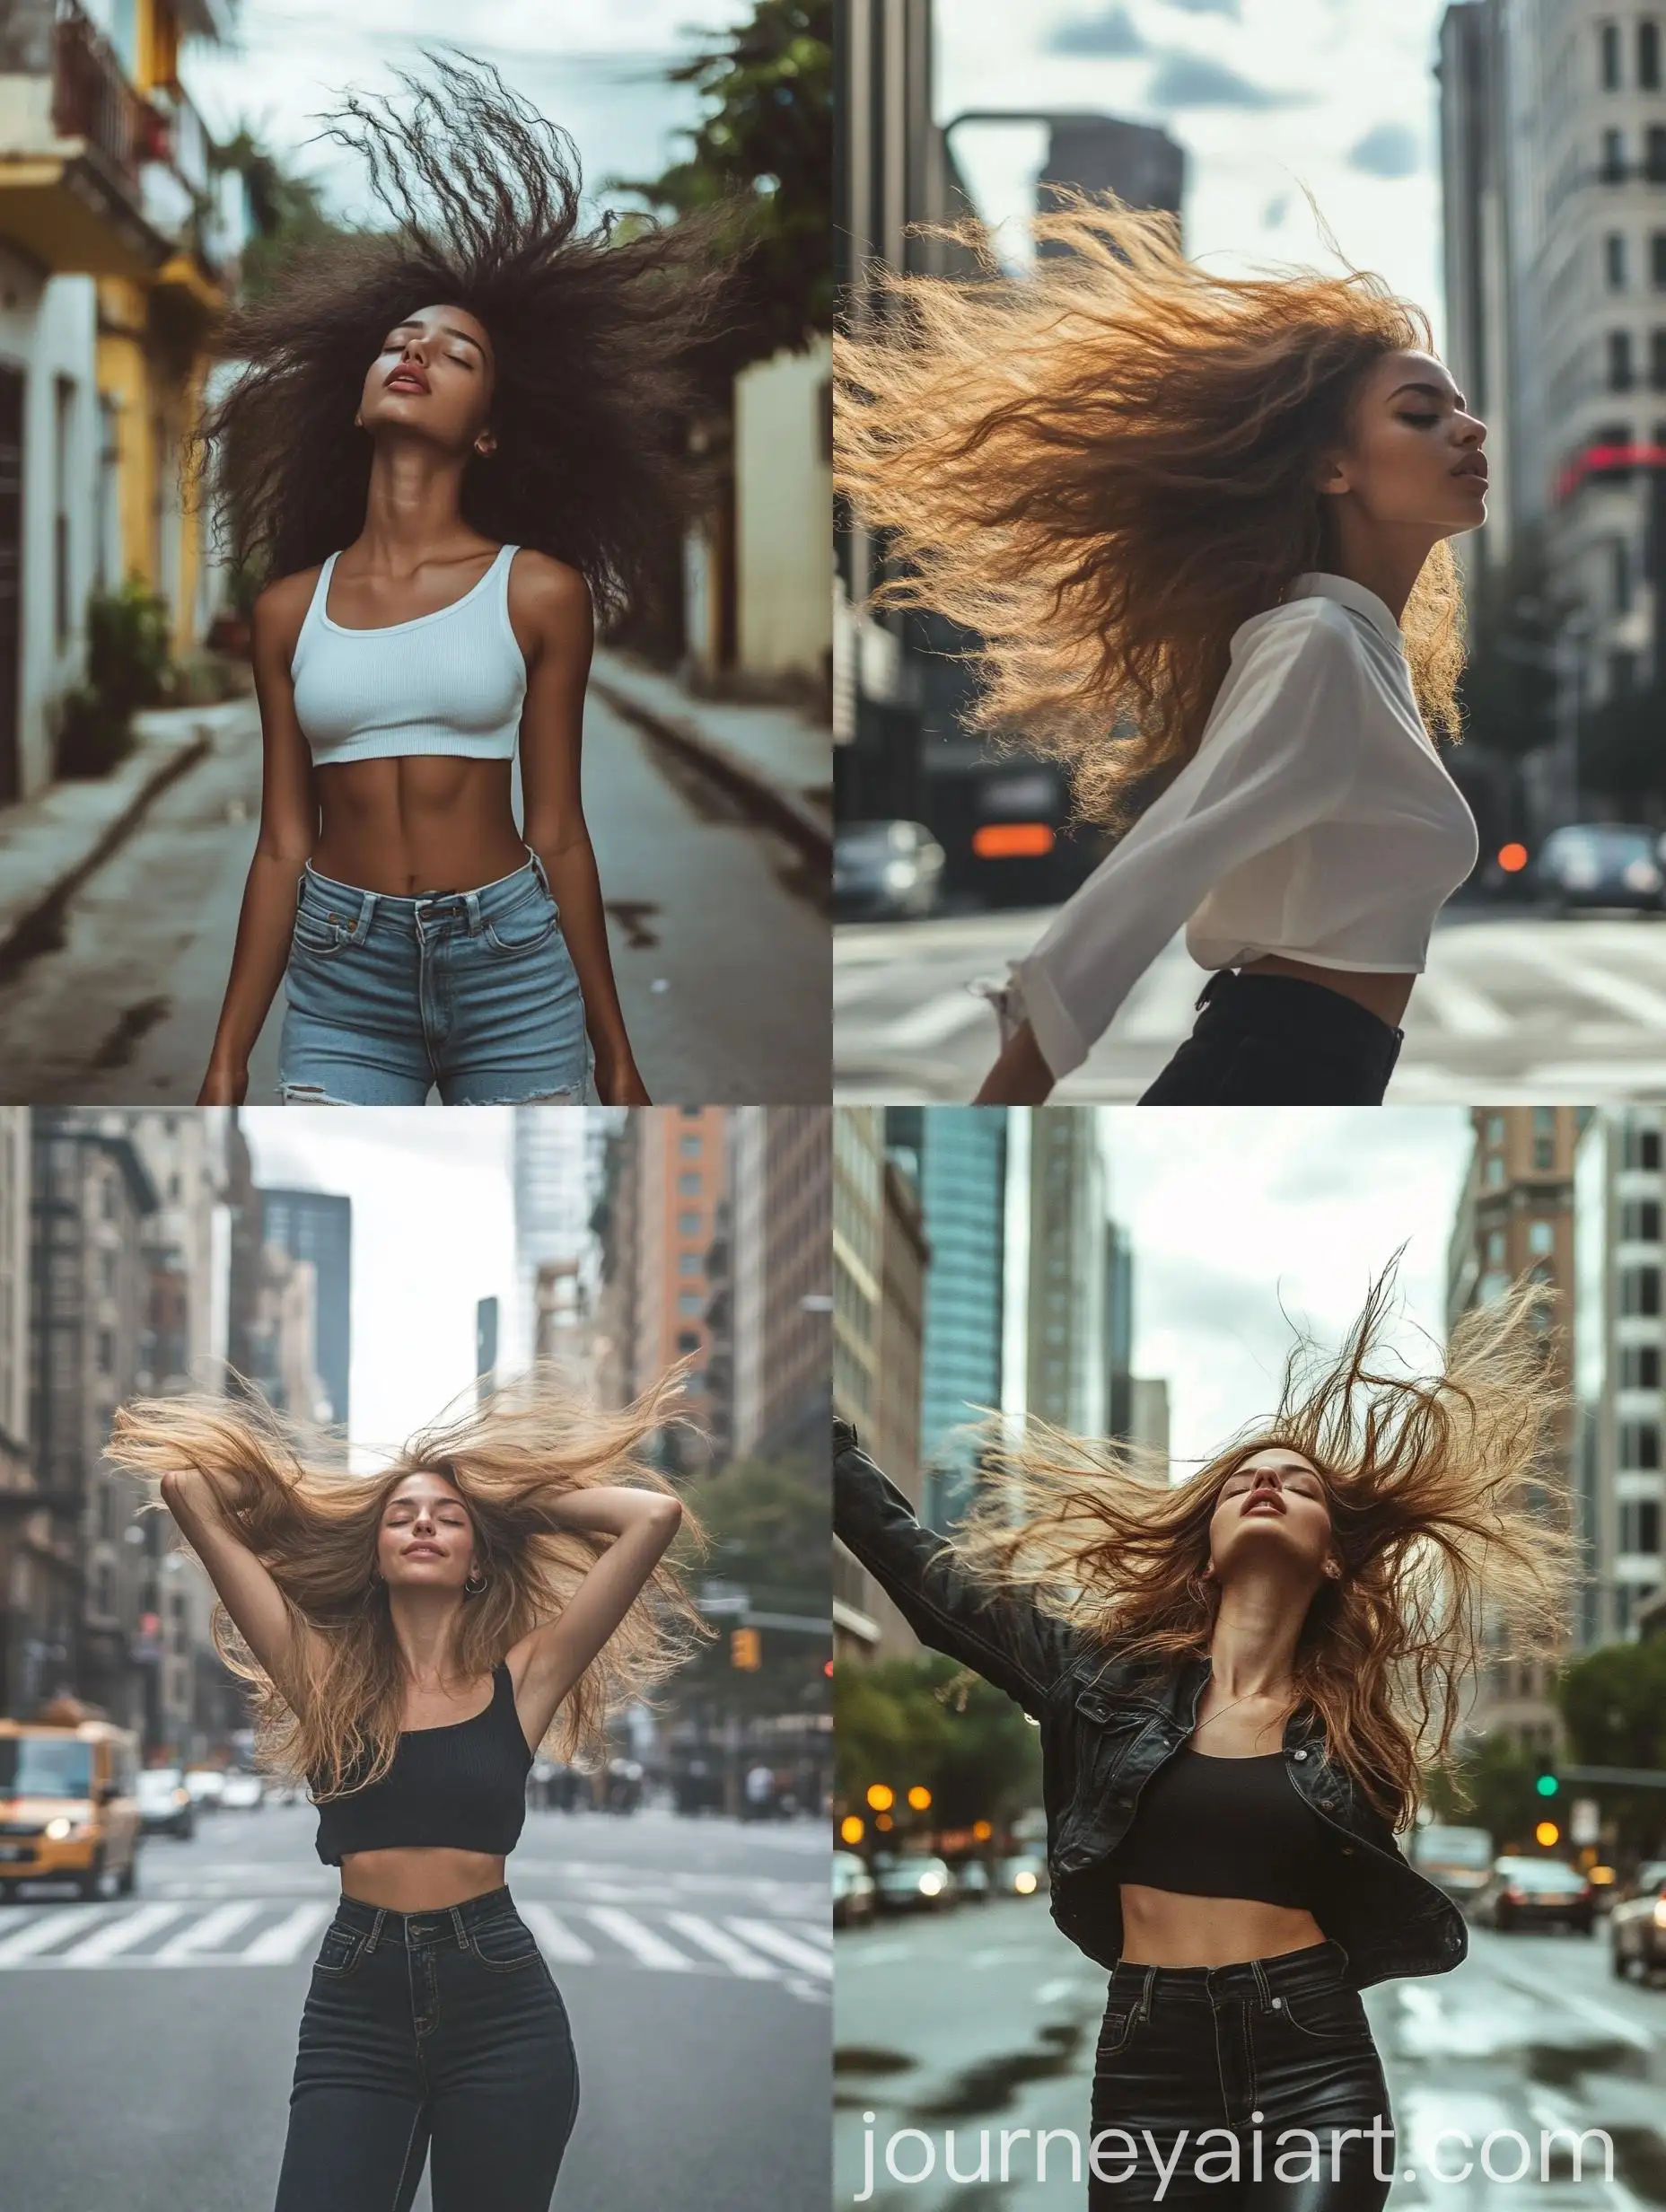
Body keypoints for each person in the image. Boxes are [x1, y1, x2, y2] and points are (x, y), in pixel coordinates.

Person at [832, 1271, 1581, 2211]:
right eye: (1241, 1481)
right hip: (1148, 2067)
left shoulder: (1351, 1733)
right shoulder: (1100, 1679)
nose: (1264, 1482)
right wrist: (828, 1458)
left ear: (1329, 1551)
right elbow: (934, 1589)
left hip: (1312, 2061)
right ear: (1209, 1537)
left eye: (1296, 1484)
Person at [834, 193, 1484, 1105]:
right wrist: (1008, 1092)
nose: (1469, 428)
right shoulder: (1319, 644)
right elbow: (1158, 864)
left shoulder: (1352, 647)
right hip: (1271, 1065)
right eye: (1420, 413)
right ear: (1329, 467)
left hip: (1313, 1065)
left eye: (1460, 409)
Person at [195, 57, 732, 1108]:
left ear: (487, 431)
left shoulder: (536, 593)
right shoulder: (287, 612)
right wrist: (224, 1062)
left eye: (456, 353)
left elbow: (560, 830)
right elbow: (281, 844)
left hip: (510, 962)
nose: (416, 353)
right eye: (400, 343)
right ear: (354, 403)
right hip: (341, 975)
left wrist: (615, 1051)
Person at [110, 1362, 709, 2212]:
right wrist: (314, 1499)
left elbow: (653, 1515)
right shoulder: (319, 1672)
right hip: (358, 2005)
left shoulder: (525, 1678)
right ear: (378, 1554)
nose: (423, 1524)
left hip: (502, 2003)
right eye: (400, 1518)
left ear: (474, 1557)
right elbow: (186, 1489)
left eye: (446, 1519)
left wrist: (499, 1502)